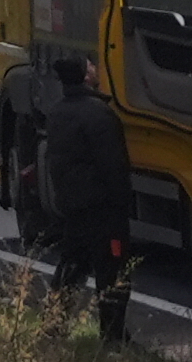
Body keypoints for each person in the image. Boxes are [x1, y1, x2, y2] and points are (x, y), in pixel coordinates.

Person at [40, 56, 137, 343]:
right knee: (112, 271)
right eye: (90, 66)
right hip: (103, 208)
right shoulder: (98, 114)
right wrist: (122, 203)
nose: (95, 69)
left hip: (72, 206)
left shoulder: (57, 113)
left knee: (71, 267)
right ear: (84, 76)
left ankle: (54, 326)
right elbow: (114, 166)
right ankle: (113, 334)